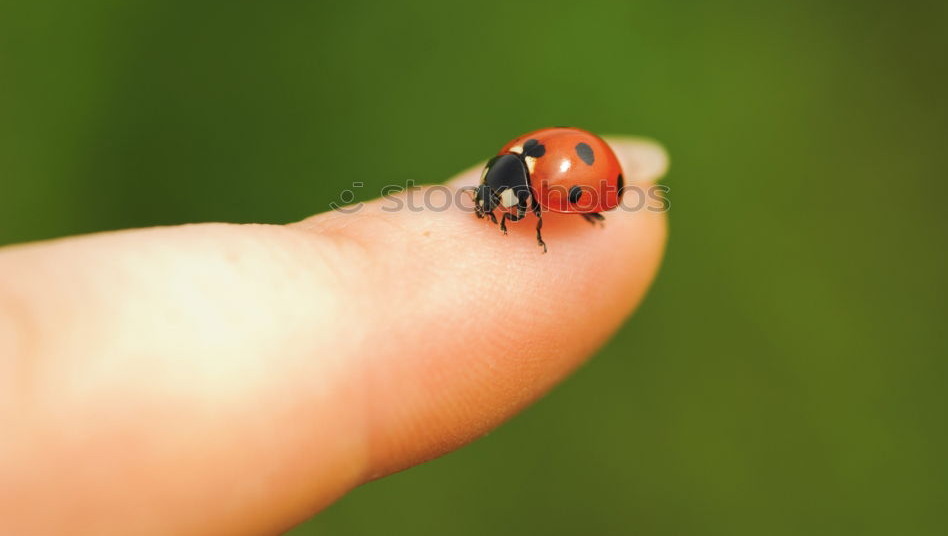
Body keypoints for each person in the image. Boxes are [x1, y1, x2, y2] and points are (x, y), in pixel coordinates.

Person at [0, 137, 668, 534]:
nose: (501, 209)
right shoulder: (519, 177)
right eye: (504, 202)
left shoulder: (539, 185)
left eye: (505, 204)